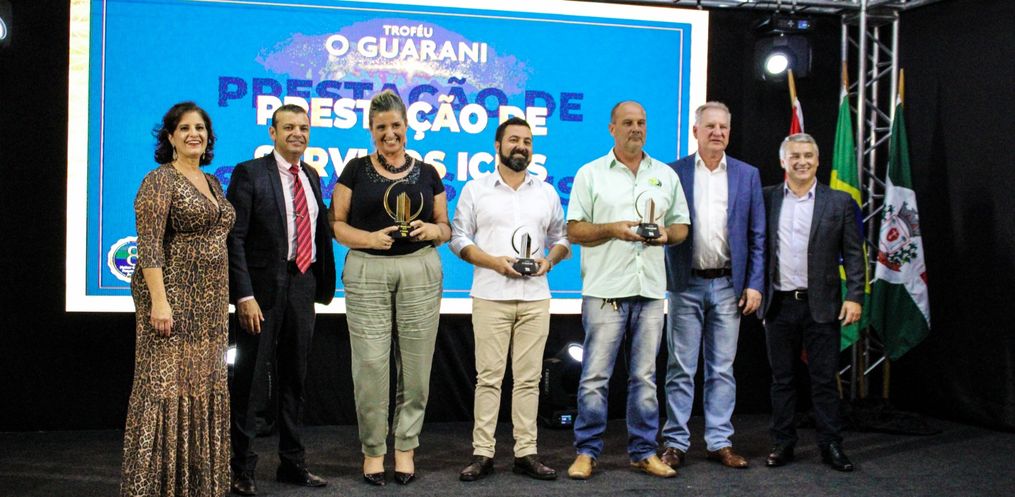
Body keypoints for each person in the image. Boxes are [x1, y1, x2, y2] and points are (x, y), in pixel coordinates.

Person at [330, 90, 450, 486]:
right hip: (367, 270)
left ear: (407, 126)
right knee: (370, 366)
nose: (389, 133)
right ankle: (373, 450)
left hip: (420, 270)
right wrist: (369, 239)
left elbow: (445, 227)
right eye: (381, 127)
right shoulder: (354, 169)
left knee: (416, 369)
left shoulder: (428, 172)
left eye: (396, 125)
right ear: (371, 129)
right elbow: (336, 225)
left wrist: (432, 230)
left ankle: (405, 448)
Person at [565, 101, 690, 480]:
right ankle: (586, 452)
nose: (636, 128)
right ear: (612, 128)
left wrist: (667, 234)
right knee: (594, 378)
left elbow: (681, 226)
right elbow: (574, 230)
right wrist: (612, 229)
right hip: (605, 290)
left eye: (641, 122)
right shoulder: (590, 174)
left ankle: (644, 452)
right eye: (628, 122)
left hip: (650, 290)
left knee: (645, 379)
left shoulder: (665, 175)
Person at [121, 101, 235, 497]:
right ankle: (153, 487)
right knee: (164, 388)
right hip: (171, 299)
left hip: (210, 306)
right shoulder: (159, 180)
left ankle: (197, 486)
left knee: (202, 386)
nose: (194, 134)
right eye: (185, 128)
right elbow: (149, 245)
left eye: (200, 128)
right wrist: (159, 302)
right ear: (170, 137)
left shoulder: (213, 182)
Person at [450, 117, 570, 482]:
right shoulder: (476, 190)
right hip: (491, 294)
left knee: (529, 380)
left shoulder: (546, 192)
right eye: (514, 139)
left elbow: (562, 238)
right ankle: (483, 454)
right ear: (497, 146)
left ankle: (525, 453)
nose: (521, 146)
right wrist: (494, 262)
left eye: (527, 141)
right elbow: (457, 238)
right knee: (488, 379)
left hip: (535, 297)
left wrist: (550, 261)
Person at [226, 103, 336, 495]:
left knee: (295, 379)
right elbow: (235, 238)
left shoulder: (312, 175)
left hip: (302, 284)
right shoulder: (250, 173)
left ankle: (292, 463)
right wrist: (243, 295)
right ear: (272, 132)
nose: (297, 134)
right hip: (261, 292)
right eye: (288, 127)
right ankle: (242, 469)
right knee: (251, 382)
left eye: (303, 128)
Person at [660, 102, 765, 470]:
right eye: (710, 127)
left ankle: (719, 442)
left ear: (729, 133)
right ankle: (675, 442)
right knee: (680, 368)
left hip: (727, 286)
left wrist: (754, 284)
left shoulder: (747, 175)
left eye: (723, 127)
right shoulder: (673, 173)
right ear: (696, 132)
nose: (717, 132)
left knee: (722, 369)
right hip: (685, 284)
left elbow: (757, 235)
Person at [761, 133, 864, 472]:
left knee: (823, 380)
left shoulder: (839, 202)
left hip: (822, 305)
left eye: (808, 155)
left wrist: (855, 296)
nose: (802, 161)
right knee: (782, 380)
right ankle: (783, 443)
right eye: (795, 156)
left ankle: (831, 444)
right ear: (783, 161)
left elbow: (854, 254)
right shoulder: (766, 198)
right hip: (779, 304)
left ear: (818, 161)